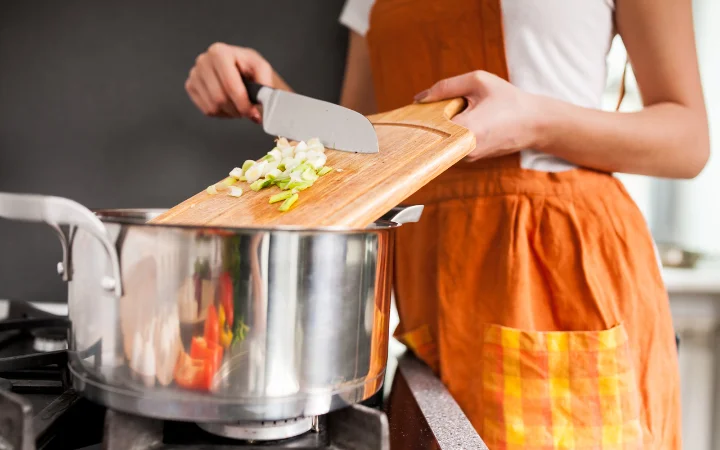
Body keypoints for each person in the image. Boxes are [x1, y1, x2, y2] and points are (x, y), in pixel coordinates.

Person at [185, 0, 708, 447]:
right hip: (427, 288)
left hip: (557, 279)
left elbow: (688, 139)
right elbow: (363, 149)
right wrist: (265, 92)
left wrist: (535, 121)